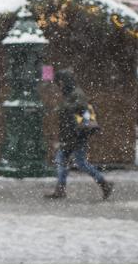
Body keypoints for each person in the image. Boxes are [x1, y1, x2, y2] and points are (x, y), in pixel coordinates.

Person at [48, 69, 112, 200]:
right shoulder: (69, 94)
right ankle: (60, 189)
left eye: (59, 82)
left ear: (64, 82)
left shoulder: (76, 94)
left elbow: (82, 108)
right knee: (62, 161)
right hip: (68, 135)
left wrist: (65, 108)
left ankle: (104, 184)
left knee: (80, 162)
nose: (58, 85)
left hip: (77, 135)